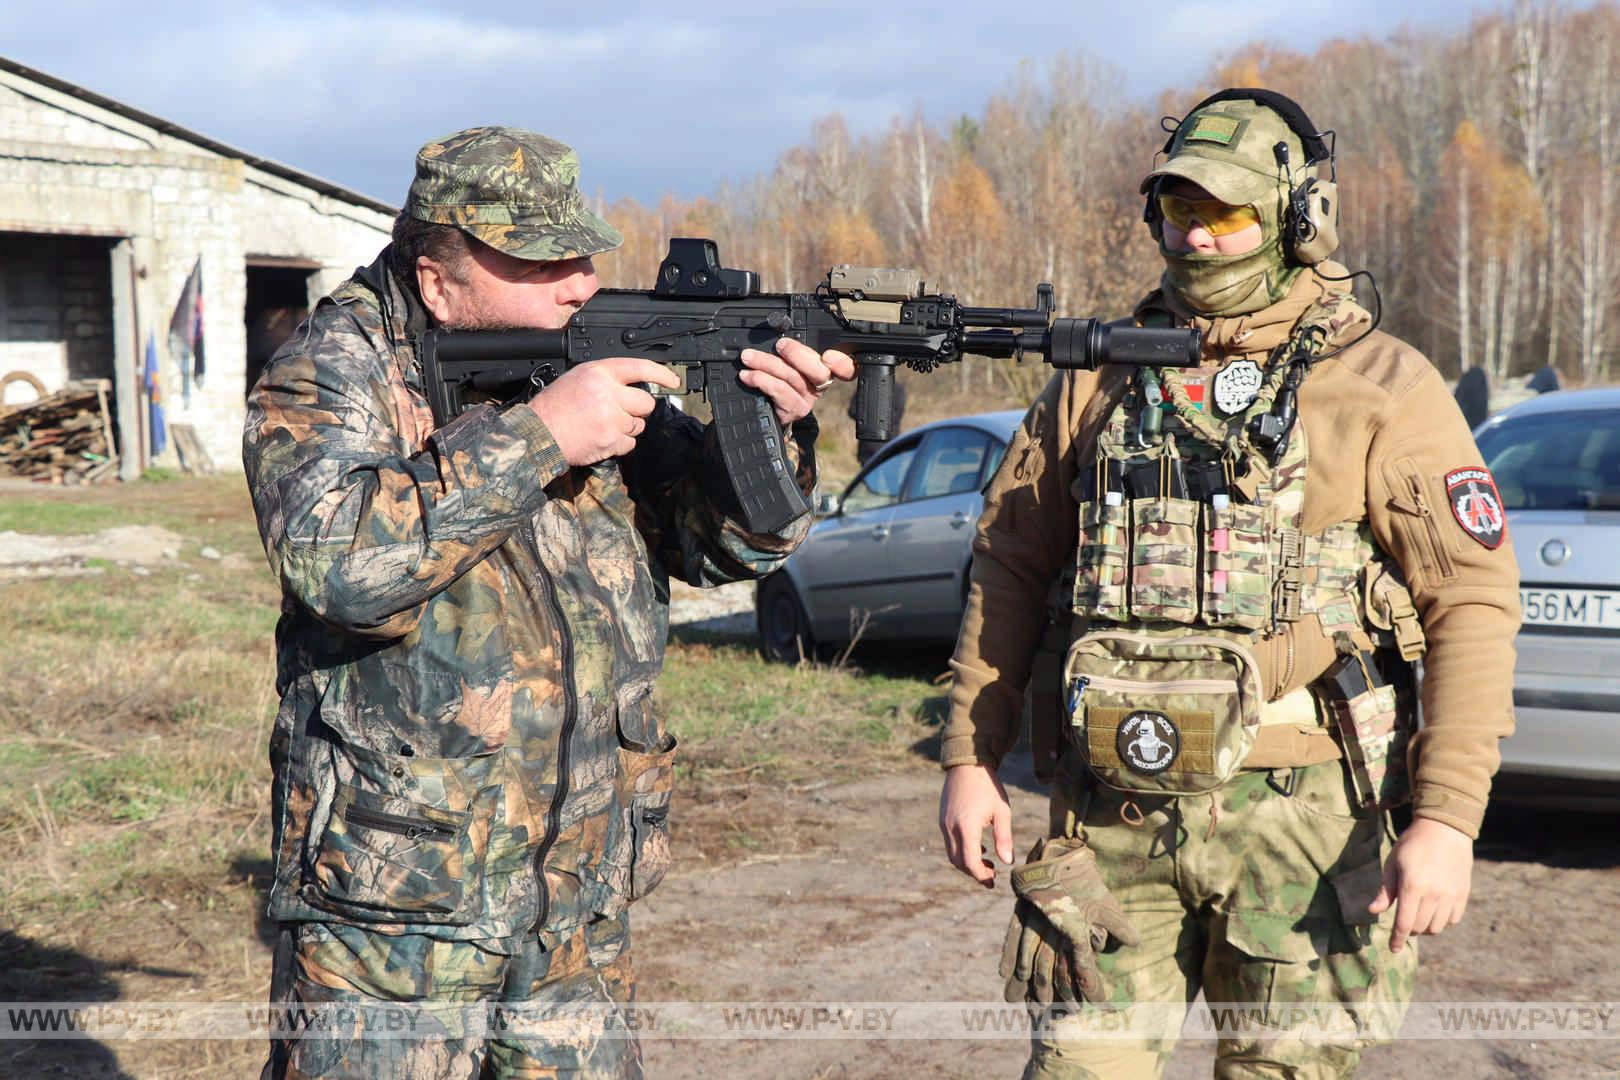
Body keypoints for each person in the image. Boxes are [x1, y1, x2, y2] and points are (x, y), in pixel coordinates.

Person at [243, 126, 854, 1079]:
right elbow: (339, 566)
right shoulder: (330, 369)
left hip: (573, 899)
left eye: (581, 253)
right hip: (397, 917)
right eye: (540, 261)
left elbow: (720, 544)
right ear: (437, 273)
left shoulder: (567, 358)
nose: (577, 282)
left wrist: (770, 433)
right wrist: (541, 438)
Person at [938, 90, 1520, 1078]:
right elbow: (1010, 565)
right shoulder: (1096, 379)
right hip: (1111, 815)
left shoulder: (1381, 386)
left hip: (1302, 823)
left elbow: (1470, 602)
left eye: (1228, 213)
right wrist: (967, 755)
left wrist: (1448, 821)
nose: (1199, 238)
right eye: (1179, 211)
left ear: (1301, 220)